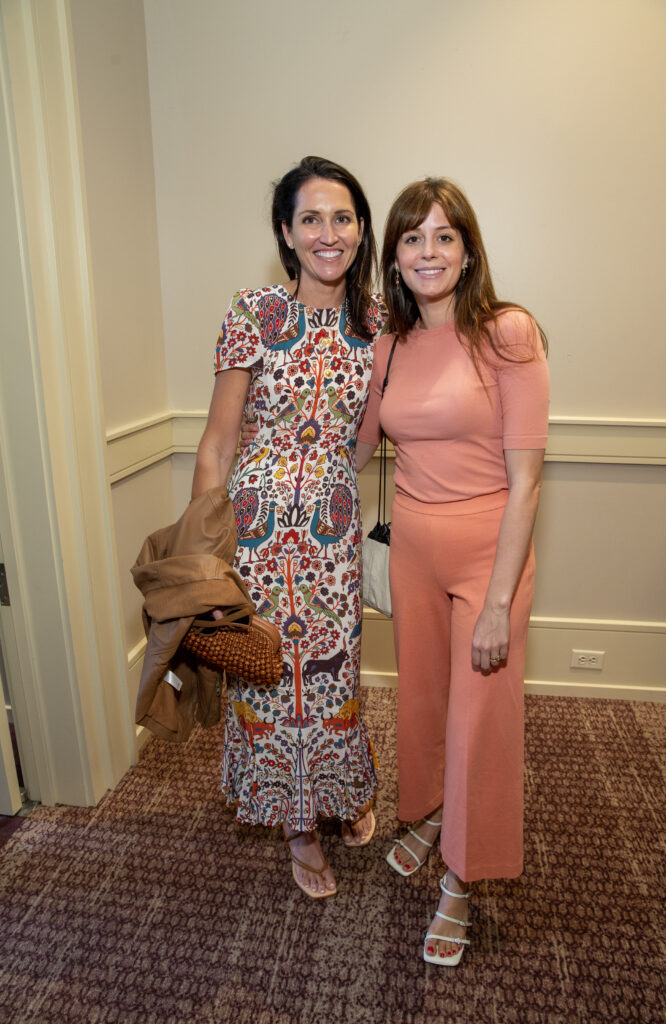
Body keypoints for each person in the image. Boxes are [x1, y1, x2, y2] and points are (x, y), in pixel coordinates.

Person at [356, 178, 550, 964]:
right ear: (394, 257)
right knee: (424, 701)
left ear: (467, 252)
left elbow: (526, 480)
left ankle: (461, 879)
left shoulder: (507, 333)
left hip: (486, 557)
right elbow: (354, 452)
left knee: (479, 722)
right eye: (412, 238)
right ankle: (434, 813)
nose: (427, 252)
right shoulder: (388, 347)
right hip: (411, 552)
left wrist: (498, 601)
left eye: (443, 236)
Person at [192, 156, 388, 899]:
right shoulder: (254, 312)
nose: (327, 234)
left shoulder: (378, 321)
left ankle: (343, 788)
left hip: (332, 538)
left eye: (342, 218)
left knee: (334, 673)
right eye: (310, 218)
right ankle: (299, 827)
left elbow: (368, 435)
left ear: (361, 228)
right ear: (285, 231)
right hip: (256, 535)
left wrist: (327, 479)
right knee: (269, 676)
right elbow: (216, 445)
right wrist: (207, 562)